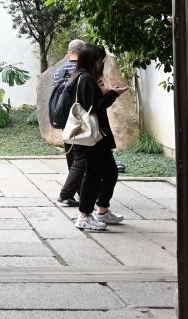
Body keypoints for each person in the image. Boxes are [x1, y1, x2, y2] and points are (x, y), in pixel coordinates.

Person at [70, 44, 129, 231]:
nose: (101, 63)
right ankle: (84, 216)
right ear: (93, 60)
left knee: (110, 172)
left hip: (98, 136)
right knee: (93, 175)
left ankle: (102, 211)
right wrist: (113, 94)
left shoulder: (83, 77)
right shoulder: (85, 78)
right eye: (100, 60)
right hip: (92, 137)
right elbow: (93, 106)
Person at [52, 38, 86, 205]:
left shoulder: (58, 71)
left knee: (71, 155)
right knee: (82, 157)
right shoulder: (84, 71)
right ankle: (73, 192)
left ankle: (74, 192)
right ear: (83, 53)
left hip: (64, 118)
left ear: (69, 52)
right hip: (81, 118)